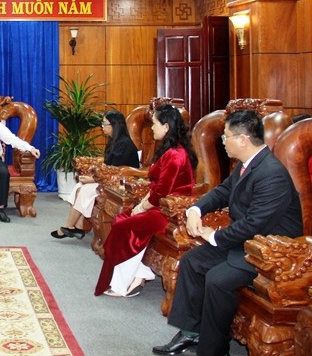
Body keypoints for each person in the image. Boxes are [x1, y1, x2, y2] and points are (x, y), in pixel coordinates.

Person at [153, 110, 303, 356]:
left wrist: (214, 236)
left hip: (267, 254)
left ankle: (214, 349)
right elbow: (222, 192)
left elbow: (256, 224)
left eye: (226, 136)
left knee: (217, 279)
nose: (223, 140)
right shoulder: (247, 165)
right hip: (244, 242)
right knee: (192, 261)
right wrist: (195, 209)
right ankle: (192, 333)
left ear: (243, 139)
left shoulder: (271, 174)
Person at [94, 104, 196, 297]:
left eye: (155, 123)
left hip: (171, 212)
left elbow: (162, 192)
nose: (152, 128)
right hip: (160, 205)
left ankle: (123, 284)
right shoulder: (168, 149)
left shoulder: (175, 155)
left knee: (124, 226)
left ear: (166, 127)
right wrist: (141, 206)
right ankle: (140, 273)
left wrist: (141, 207)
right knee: (121, 219)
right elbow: (156, 185)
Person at [52, 110, 140, 239]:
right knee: (79, 187)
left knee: (86, 189)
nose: (102, 127)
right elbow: (108, 166)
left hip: (123, 183)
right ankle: (79, 226)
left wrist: (93, 179)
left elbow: (115, 171)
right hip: (110, 178)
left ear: (115, 125)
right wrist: (92, 177)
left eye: (105, 124)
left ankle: (69, 226)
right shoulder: (114, 141)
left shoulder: (124, 144)